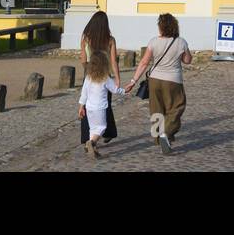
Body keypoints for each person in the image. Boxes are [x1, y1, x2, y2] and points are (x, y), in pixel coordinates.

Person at [124, 13, 192, 156]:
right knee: (176, 107)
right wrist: (185, 52)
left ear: (161, 27)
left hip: (155, 81)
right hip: (173, 81)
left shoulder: (153, 42)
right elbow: (187, 60)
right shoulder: (181, 42)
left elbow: (143, 63)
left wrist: (133, 81)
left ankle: (158, 139)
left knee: (156, 110)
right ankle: (165, 134)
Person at [79, 11, 119, 143]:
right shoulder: (110, 40)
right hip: (105, 76)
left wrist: (89, 70)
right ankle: (107, 132)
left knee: (87, 105)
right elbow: (113, 61)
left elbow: (83, 59)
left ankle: (87, 137)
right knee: (105, 105)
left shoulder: (85, 38)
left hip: (90, 74)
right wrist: (117, 79)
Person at [78, 49, 125, 159]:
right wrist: (125, 91)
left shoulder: (88, 77)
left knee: (92, 128)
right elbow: (114, 90)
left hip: (89, 108)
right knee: (101, 128)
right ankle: (92, 143)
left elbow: (84, 93)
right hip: (100, 108)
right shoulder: (105, 77)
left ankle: (92, 149)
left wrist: (81, 106)